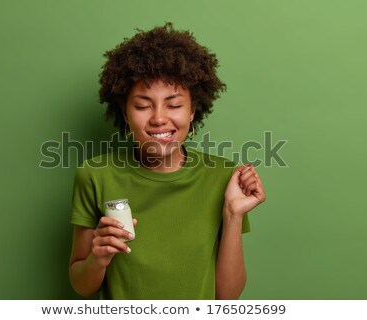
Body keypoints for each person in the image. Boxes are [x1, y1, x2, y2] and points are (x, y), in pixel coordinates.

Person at [68, 23, 266, 299]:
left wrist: (233, 215)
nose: (159, 118)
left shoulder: (223, 176)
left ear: (193, 110)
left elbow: (227, 298)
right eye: (142, 105)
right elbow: (81, 285)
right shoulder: (95, 175)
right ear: (124, 112)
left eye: (174, 105)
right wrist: (97, 259)